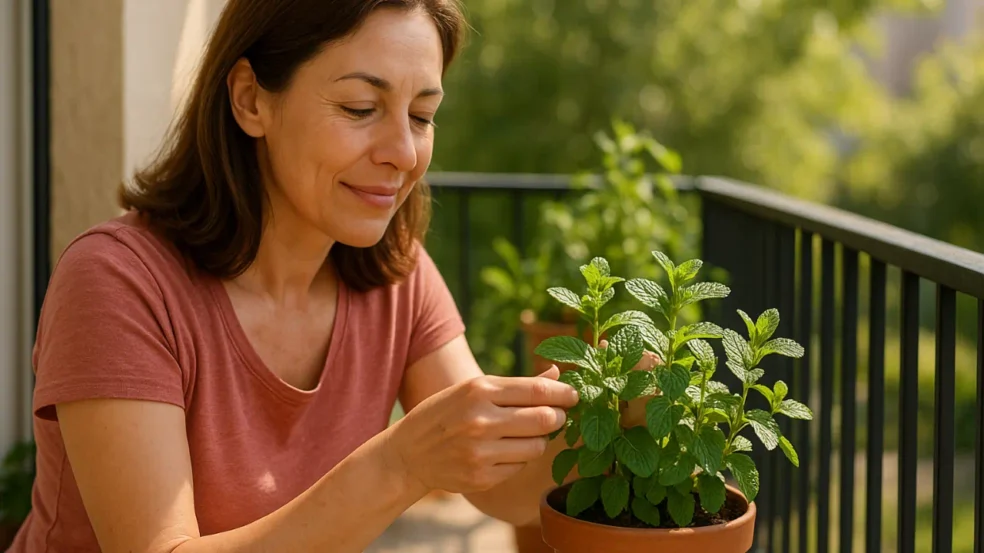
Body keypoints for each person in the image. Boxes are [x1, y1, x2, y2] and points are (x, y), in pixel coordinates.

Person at [7, 1, 588, 551]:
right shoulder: (118, 283)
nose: (404, 153)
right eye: (361, 107)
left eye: (422, 116)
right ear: (250, 99)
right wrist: (401, 464)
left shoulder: (395, 274)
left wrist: (607, 415)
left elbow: (506, 493)